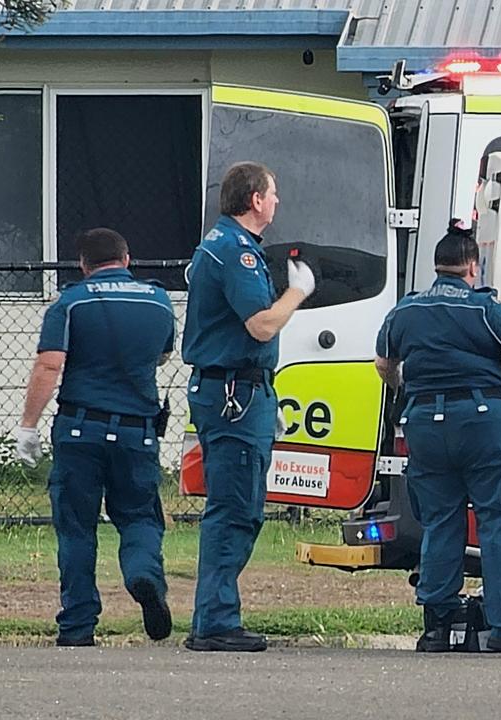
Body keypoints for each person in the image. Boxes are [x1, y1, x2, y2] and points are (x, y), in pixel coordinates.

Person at [375, 221, 501, 654]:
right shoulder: (482, 308)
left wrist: (409, 386)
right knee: (498, 519)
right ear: (472, 266)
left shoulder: (405, 310)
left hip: (424, 422)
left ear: (438, 266)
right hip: (481, 421)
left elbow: (383, 364)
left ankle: (437, 626)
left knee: (440, 521)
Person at [13, 227, 176, 647]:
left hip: (80, 429)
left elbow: (49, 366)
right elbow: (160, 355)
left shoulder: (70, 303)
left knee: (76, 529)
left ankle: (78, 626)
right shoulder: (159, 301)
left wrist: (27, 427)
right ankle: (143, 574)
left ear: (83, 265)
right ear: (127, 259)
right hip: (137, 432)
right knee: (140, 517)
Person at [182, 161, 316, 652]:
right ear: (255, 200)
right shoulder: (235, 252)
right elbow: (260, 325)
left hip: (237, 391)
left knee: (238, 506)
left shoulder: (219, 247)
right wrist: (297, 292)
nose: (277, 201)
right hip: (234, 395)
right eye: (273, 194)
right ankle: (216, 620)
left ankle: (215, 614)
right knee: (235, 508)